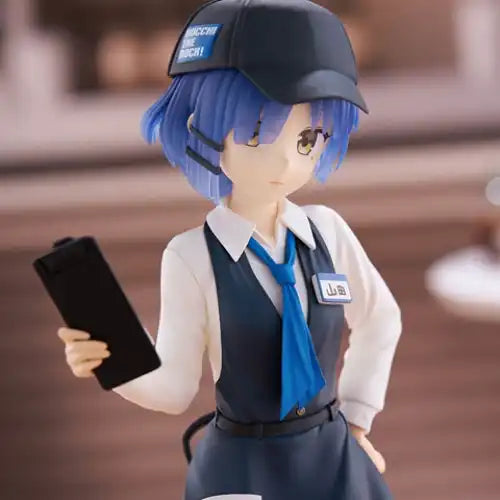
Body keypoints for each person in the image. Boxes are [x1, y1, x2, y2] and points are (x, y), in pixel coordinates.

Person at [57, 1, 403, 498]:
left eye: (308, 138)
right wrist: (111, 363)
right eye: (258, 133)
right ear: (204, 128)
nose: (285, 161)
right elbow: (174, 389)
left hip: (331, 455)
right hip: (242, 466)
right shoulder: (191, 257)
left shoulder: (327, 231)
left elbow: (380, 318)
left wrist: (358, 418)